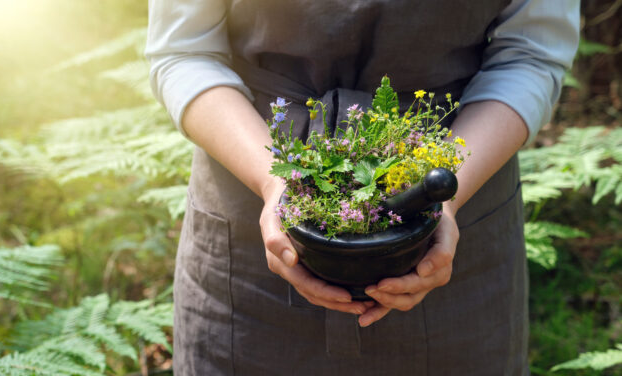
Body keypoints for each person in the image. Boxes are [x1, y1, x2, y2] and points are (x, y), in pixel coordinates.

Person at [146, 0, 579, 374]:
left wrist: (445, 197)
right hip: (245, 242)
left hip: (463, 223)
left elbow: (531, 54)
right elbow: (185, 52)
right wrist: (273, 180)